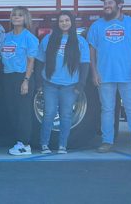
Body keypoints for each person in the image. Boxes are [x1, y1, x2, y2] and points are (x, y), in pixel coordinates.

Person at [87, 0, 131, 155]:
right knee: (107, 109)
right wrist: (94, 73)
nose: (106, 6)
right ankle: (107, 141)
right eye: (105, 3)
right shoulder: (97, 25)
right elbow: (92, 51)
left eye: (110, 3)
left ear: (120, 5)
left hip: (128, 75)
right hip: (104, 75)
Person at [35, 11, 90, 154]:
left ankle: (62, 146)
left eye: (67, 20)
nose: (64, 23)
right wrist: (39, 82)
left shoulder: (80, 41)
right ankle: (44, 144)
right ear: (57, 23)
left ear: (72, 22)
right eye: (61, 21)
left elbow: (85, 64)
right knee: (49, 114)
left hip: (70, 86)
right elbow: (39, 61)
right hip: (50, 84)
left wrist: (81, 85)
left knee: (66, 115)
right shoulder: (48, 39)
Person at [1, 6, 39, 156]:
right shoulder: (6, 37)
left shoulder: (29, 38)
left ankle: (25, 145)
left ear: (25, 19)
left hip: (22, 76)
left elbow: (31, 61)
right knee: (12, 110)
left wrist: (26, 80)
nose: (16, 17)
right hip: (8, 76)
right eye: (14, 15)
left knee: (23, 112)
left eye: (20, 15)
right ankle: (17, 141)